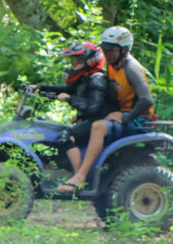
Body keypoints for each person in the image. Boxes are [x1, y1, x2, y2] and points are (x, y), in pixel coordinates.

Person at [57, 26, 155, 194]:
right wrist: (84, 115)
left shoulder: (131, 69)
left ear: (123, 49)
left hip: (139, 119)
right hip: (122, 113)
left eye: (111, 50)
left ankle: (80, 178)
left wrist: (125, 117)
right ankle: (80, 173)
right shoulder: (112, 67)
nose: (107, 53)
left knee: (99, 126)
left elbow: (146, 100)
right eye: (105, 49)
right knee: (76, 130)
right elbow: (107, 98)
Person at [34, 41, 115, 179]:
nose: (74, 65)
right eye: (73, 61)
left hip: (99, 122)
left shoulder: (97, 79)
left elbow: (93, 106)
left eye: (78, 62)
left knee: (65, 135)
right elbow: (67, 89)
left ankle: (78, 176)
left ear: (91, 61)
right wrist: (41, 88)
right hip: (91, 119)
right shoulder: (85, 78)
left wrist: (70, 99)